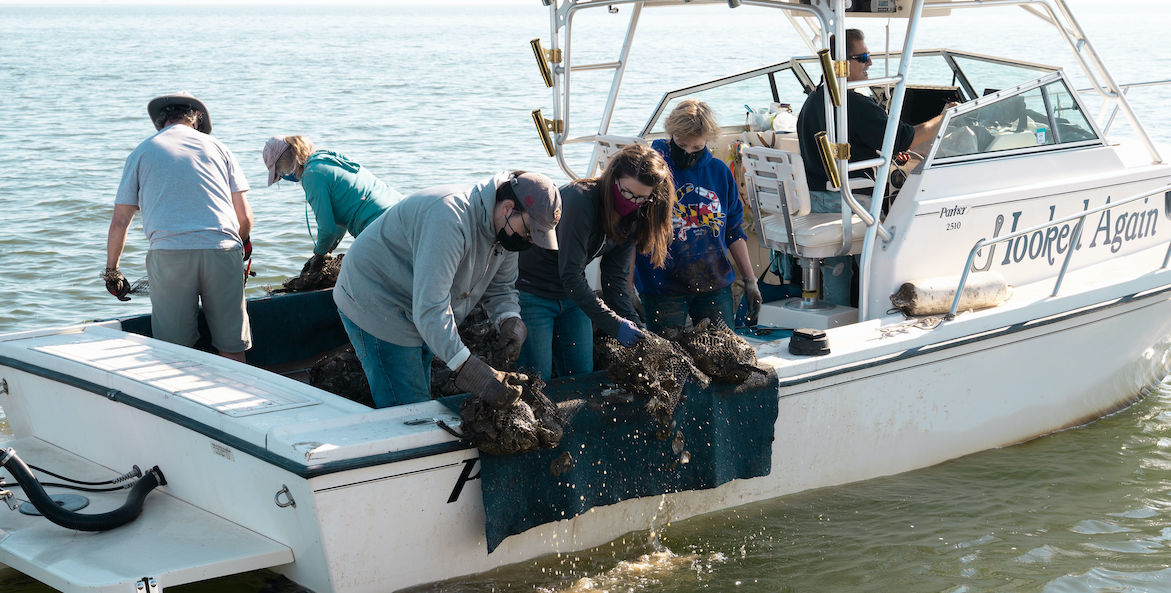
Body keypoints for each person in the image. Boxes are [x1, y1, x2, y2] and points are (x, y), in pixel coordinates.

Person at [333, 171, 562, 409]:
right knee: (409, 409)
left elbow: (502, 287)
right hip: (376, 299)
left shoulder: (506, 233)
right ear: (507, 208)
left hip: (416, 301)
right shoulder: (449, 219)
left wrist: (509, 319)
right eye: (529, 231)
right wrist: (471, 370)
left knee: (419, 383)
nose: (531, 241)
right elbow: (431, 309)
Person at [796, 28, 951, 305]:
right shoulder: (854, 104)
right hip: (847, 203)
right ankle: (879, 312)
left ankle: (837, 316)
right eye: (863, 57)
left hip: (817, 201)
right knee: (891, 249)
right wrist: (944, 118)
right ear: (840, 64)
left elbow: (849, 144)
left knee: (837, 271)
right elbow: (904, 138)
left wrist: (887, 155)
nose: (870, 63)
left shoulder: (812, 100)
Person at [105, 92, 253, 362]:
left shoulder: (141, 152)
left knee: (175, 353)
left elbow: (120, 221)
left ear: (161, 121)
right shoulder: (219, 148)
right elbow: (244, 218)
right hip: (222, 249)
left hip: (170, 254)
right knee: (232, 347)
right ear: (195, 119)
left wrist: (112, 270)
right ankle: (238, 401)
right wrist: (241, 249)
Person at [515, 144, 676, 380]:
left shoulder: (636, 214)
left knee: (582, 373)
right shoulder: (581, 201)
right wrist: (615, 326)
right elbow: (570, 273)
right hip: (533, 292)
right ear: (613, 179)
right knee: (537, 378)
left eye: (641, 198)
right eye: (626, 192)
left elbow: (615, 281)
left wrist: (635, 327)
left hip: (573, 297)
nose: (631, 202)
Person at [634, 100, 761, 333]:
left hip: (714, 281)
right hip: (662, 286)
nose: (688, 153)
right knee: (667, 360)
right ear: (671, 134)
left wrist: (750, 280)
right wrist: (626, 286)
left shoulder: (719, 172)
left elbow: (733, 229)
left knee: (723, 351)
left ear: (707, 142)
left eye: (696, 148)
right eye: (681, 145)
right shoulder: (651, 171)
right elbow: (632, 232)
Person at [261, 135, 404, 273]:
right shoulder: (325, 158)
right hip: (401, 211)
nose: (282, 177)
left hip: (381, 226)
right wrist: (327, 251)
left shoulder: (311, 175)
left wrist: (318, 255)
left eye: (279, 173)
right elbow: (338, 223)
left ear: (286, 164)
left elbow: (327, 229)